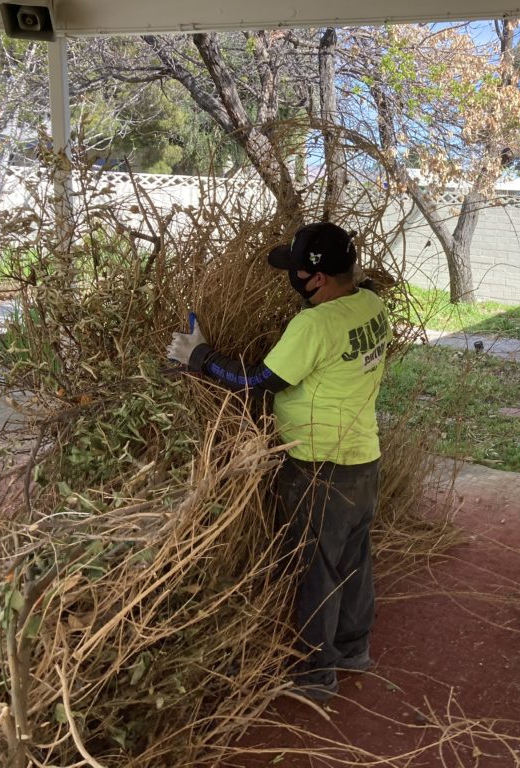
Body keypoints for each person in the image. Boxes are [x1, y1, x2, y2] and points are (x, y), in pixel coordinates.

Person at [166, 222, 390, 702]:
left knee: (316, 569)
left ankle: (316, 674)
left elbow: (257, 381)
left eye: (296, 271)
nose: (292, 280)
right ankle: (353, 650)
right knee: (353, 560)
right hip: (363, 459)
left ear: (318, 279)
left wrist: (199, 356)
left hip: (319, 467)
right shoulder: (372, 305)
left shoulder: (314, 325)